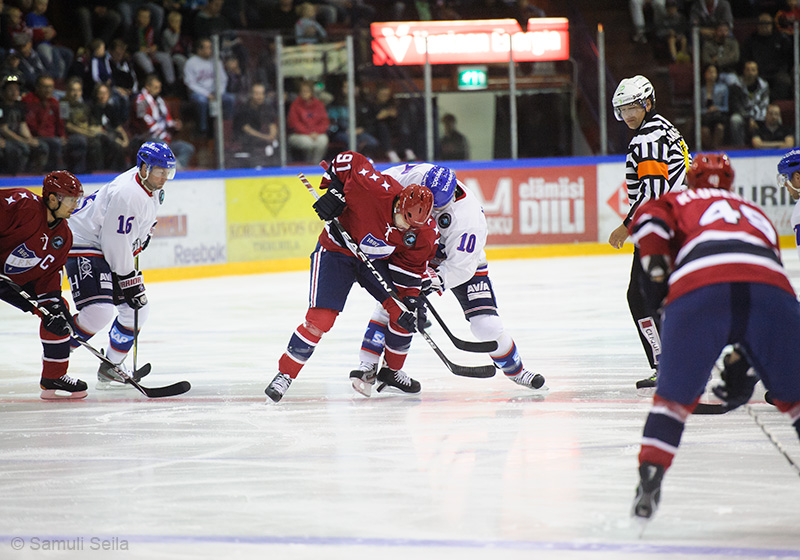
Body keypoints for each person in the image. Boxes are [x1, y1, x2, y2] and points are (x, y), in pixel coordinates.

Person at [627, 152, 800, 522]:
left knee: (671, 401)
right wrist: (749, 362)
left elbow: (648, 221)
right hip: (772, 291)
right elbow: (763, 273)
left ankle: (650, 477)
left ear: (692, 180)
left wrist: (656, 273)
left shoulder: (678, 199)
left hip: (700, 286)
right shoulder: (756, 212)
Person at [348, 163, 545, 397]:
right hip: (415, 254)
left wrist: (435, 278)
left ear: (450, 197)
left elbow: (461, 268)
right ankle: (369, 366)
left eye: (436, 206)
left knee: (486, 326)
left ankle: (516, 370)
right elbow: (378, 182)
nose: (429, 210)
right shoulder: (418, 175)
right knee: (393, 307)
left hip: (455, 265)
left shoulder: (467, 219)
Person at [265, 151, 438, 402]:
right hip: (337, 252)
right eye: (403, 221)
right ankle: (285, 375)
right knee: (319, 320)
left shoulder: (422, 234)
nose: (405, 229)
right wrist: (335, 191)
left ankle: (392, 372)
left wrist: (410, 300)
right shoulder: (372, 189)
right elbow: (348, 160)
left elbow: (410, 269)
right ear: (399, 204)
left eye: (413, 227)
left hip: (373, 261)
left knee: (402, 313)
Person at [65, 142, 177, 388]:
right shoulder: (128, 194)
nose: (164, 177)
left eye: (167, 171)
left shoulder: (150, 186)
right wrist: (129, 280)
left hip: (105, 245)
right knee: (98, 312)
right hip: (84, 242)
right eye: (159, 171)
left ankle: (112, 366)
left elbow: (129, 234)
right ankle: (56, 355)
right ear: (144, 168)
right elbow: (114, 242)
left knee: (137, 311)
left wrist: (142, 238)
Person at [608, 75, 690, 392]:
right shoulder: (663, 127)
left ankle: (667, 365)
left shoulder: (647, 139)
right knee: (664, 296)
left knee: (641, 298)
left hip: (660, 226)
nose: (628, 114)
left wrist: (626, 226)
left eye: (633, 106)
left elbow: (653, 193)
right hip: (678, 222)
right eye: (623, 108)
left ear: (647, 103)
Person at [0, 171, 85, 399]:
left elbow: (49, 276)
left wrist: (50, 304)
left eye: (77, 199)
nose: (74, 205)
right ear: (53, 198)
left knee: (57, 312)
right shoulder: (22, 204)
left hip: (11, 281)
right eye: (70, 199)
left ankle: (53, 377)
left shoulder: (64, 236)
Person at [133, 74, 195, 169]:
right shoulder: (141, 101)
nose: (159, 90)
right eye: (156, 87)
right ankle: (175, 169)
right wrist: (162, 135)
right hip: (147, 139)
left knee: (187, 148)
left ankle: (176, 170)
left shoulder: (160, 101)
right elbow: (144, 122)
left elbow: (167, 120)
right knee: (163, 147)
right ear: (147, 87)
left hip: (163, 140)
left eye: (159, 87)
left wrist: (175, 124)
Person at [183, 37, 233, 137]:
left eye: (210, 47)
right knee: (202, 101)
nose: (210, 50)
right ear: (199, 50)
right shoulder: (191, 63)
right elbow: (190, 83)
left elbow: (223, 79)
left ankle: (226, 128)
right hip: (199, 94)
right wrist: (207, 94)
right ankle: (203, 130)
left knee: (230, 99)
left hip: (216, 93)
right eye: (207, 47)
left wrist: (218, 93)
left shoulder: (216, 61)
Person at [0, 74, 46, 174]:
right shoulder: (1, 107)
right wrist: (23, 141)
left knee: (41, 146)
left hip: (16, 139)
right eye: (10, 89)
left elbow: (22, 125)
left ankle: (37, 175)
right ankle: (16, 175)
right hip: (5, 140)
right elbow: (4, 129)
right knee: (22, 149)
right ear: (3, 91)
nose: (14, 92)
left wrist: (29, 138)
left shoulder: (19, 106)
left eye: (16, 89)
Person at [741, 12, 793, 100]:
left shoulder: (781, 39)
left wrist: (782, 70)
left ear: (772, 25)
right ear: (757, 25)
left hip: (777, 72)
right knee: (749, 77)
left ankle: (776, 105)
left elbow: (787, 58)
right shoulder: (750, 41)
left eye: (767, 23)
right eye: (762, 23)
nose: (764, 26)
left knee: (784, 81)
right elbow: (745, 59)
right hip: (758, 72)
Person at [21, 74, 65, 172]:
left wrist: (62, 135)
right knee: (53, 144)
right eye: (45, 87)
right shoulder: (27, 101)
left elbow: (61, 122)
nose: (48, 90)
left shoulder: (56, 103)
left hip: (52, 137)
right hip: (34, 137)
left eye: (50, 87)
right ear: (37, 87)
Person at [231, 82, 279, 167]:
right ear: (251, 94)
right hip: (245, 140)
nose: (259, 96)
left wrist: (272, 135)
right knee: (255, 144)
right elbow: (248, 130)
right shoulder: (243, 109)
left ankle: (293, 173)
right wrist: (265, 137)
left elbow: (272, 124)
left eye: (261, 94)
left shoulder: (267, 108)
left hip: (263, 139)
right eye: (257, 93)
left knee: (280, 146)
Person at [728, 60, 770, 147]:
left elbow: (764, 104)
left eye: (753, 70)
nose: (750, 72)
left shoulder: (763, 85)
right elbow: (737, 106)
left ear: (757, 71)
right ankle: (739, 146)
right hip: (743, 116)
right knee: (735, 120)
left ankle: (765, 146)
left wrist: (755, 119)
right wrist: (749, 119)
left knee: (773, 116)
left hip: (759, 116)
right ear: (744, 71)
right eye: (748, 70)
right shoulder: (736, 86)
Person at [287, 79, 329, 163]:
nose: (305, 93)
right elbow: (294, 123)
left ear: (311, 92)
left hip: (316, 134)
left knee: (323, 140)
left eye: (307, 91)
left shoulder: (318, 104)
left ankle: (316, 163)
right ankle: (308, 164)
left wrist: (316, 132)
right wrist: (308, 133)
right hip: (299, 135)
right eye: (303, 91)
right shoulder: (295, 105)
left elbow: (324, 121)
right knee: (307, 142)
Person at [699, 64, 729, 150]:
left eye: (714, 72)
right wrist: (707, 110)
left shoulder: (723, 89)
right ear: (705, 74)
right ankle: (709, 150)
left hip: (718, 117)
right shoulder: (701, 90)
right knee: (704, 131)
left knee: (719, 128)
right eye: (710, 72)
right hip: (705, 118)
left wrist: (717, 108)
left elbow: (726, 107)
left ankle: (715, 149)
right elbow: (698, 109)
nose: (712, 74)